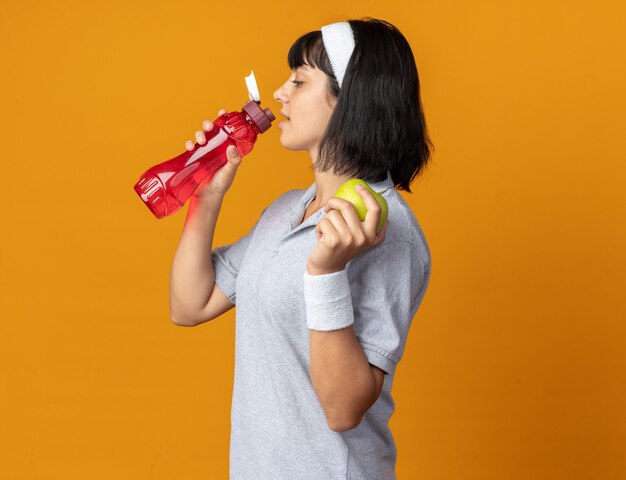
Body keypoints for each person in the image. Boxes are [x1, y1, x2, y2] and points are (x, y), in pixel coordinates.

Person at [170, 17, 433, 480]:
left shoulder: (384, 228)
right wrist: (206, 196)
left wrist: (326, 272)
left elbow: (343, 409)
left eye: (299, 80)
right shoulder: (286, 211)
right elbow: (189, 305)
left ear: (349, 99)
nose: (279, 93)